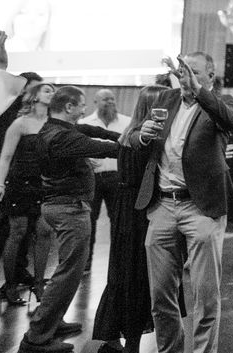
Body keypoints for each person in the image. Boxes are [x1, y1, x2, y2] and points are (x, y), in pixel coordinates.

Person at [129, 53, 233, 353]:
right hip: (163, 205)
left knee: (206, 295)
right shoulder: (166, 98)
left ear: (210, 76)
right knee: (160, 295)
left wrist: (199, 91)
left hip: (201, 208)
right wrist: (142, 136)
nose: (184, 75)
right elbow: (132, 135)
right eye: (181, 70)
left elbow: (230, 122)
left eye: (193, 71)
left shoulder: (221, 102)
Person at [20, 85, 120, 353]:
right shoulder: (62, 136)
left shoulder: (54, 128)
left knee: (68, 272)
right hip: (69, 209)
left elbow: (92, 131)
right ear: (69, 107)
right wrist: (131, 145)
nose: (84, 110)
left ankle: (52, 322)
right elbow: (101, 148)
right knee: (67, 275)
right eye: (81, 105)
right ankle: (36, 338)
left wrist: (122, 135)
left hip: (63, 207)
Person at [92, 83, 169, 353]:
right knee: (136, 277)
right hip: (139, 212)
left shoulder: (128, 133)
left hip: (128, 209)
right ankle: (130, 345)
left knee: (122, 274)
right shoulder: (142, 136)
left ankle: (112, 337)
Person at [0, 30, 43, 297]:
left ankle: (18, 272)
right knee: (1, 228)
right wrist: (0, 61)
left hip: (32, 176)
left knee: (25, 228)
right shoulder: (5, 109)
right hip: (7, 175)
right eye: (34, 89)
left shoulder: (38, 115)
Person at [0, 82, 55, 305]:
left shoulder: (54, 124)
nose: (52, 93)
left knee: (45, 231)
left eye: (53, 91)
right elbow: (5, 157)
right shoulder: (20, 123)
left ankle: (38, 284)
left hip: (44, 183)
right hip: (20, 183)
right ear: (34, 96)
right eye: (47, 90)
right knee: (18, 232)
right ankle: (10, 285)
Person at [79, 88, 131, 270]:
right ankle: (85, 263)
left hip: (117, 177)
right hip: (92, 178)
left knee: (118, 221)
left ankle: (118, 262)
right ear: (95, 102)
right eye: (105, 99)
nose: (109, 102)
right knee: (89, 220)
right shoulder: (84, 124)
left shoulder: (127, 122)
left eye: (112, 99)